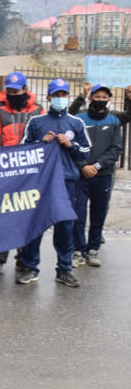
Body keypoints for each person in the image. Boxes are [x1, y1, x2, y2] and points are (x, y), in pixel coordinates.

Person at [18, 78, 91, 287]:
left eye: (63, 95)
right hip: (41, 183)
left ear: (68, 96)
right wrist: (42, 143)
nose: (60, 99)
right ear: (48, 97)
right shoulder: (36, 122)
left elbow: (86, 151)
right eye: (56, 95)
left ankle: (64, 270)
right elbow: (24, 150)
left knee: (65, 227)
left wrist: (71, 144)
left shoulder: (76, 123)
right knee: (35, 224)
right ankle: (31, 268)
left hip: (66, 182)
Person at [0, 72, 44, 274]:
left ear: (25, 90)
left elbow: (43, 139)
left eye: (16, 91)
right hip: (7, 171)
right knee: (4, 216)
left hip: (30, 172)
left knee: (28, 217)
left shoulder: (38, 111)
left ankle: (24, 259)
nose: (13, 94)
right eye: (9, 91)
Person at [72, 84, 122, 267]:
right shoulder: (79, 119)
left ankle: (93, 250)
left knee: (98, 214)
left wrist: (97, 166)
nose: (100, 100)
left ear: (109, 99)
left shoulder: (114, 121)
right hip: (80, 174)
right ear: (91, 98)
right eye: (97, 96)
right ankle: (78, 250)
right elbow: (73, 145)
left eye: (104, 97)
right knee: (78, 214)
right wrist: (83, 166)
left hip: (103, 175)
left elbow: (116, 149)